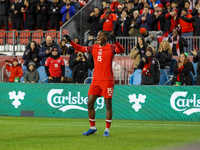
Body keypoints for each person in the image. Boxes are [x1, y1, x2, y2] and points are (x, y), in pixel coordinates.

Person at [64, 30, 124, 137]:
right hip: (95, 80)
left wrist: (116, 42)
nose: (97, 38)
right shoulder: (94, 47)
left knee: (108, 105)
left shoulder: (111, 47)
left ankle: (107, 130)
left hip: (107, 80)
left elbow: (121, 50)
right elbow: (81, 48)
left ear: (105, 37)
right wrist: (71, 42)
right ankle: (93, 127)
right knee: (90, 103)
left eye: (100, 36)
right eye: (97, 36)